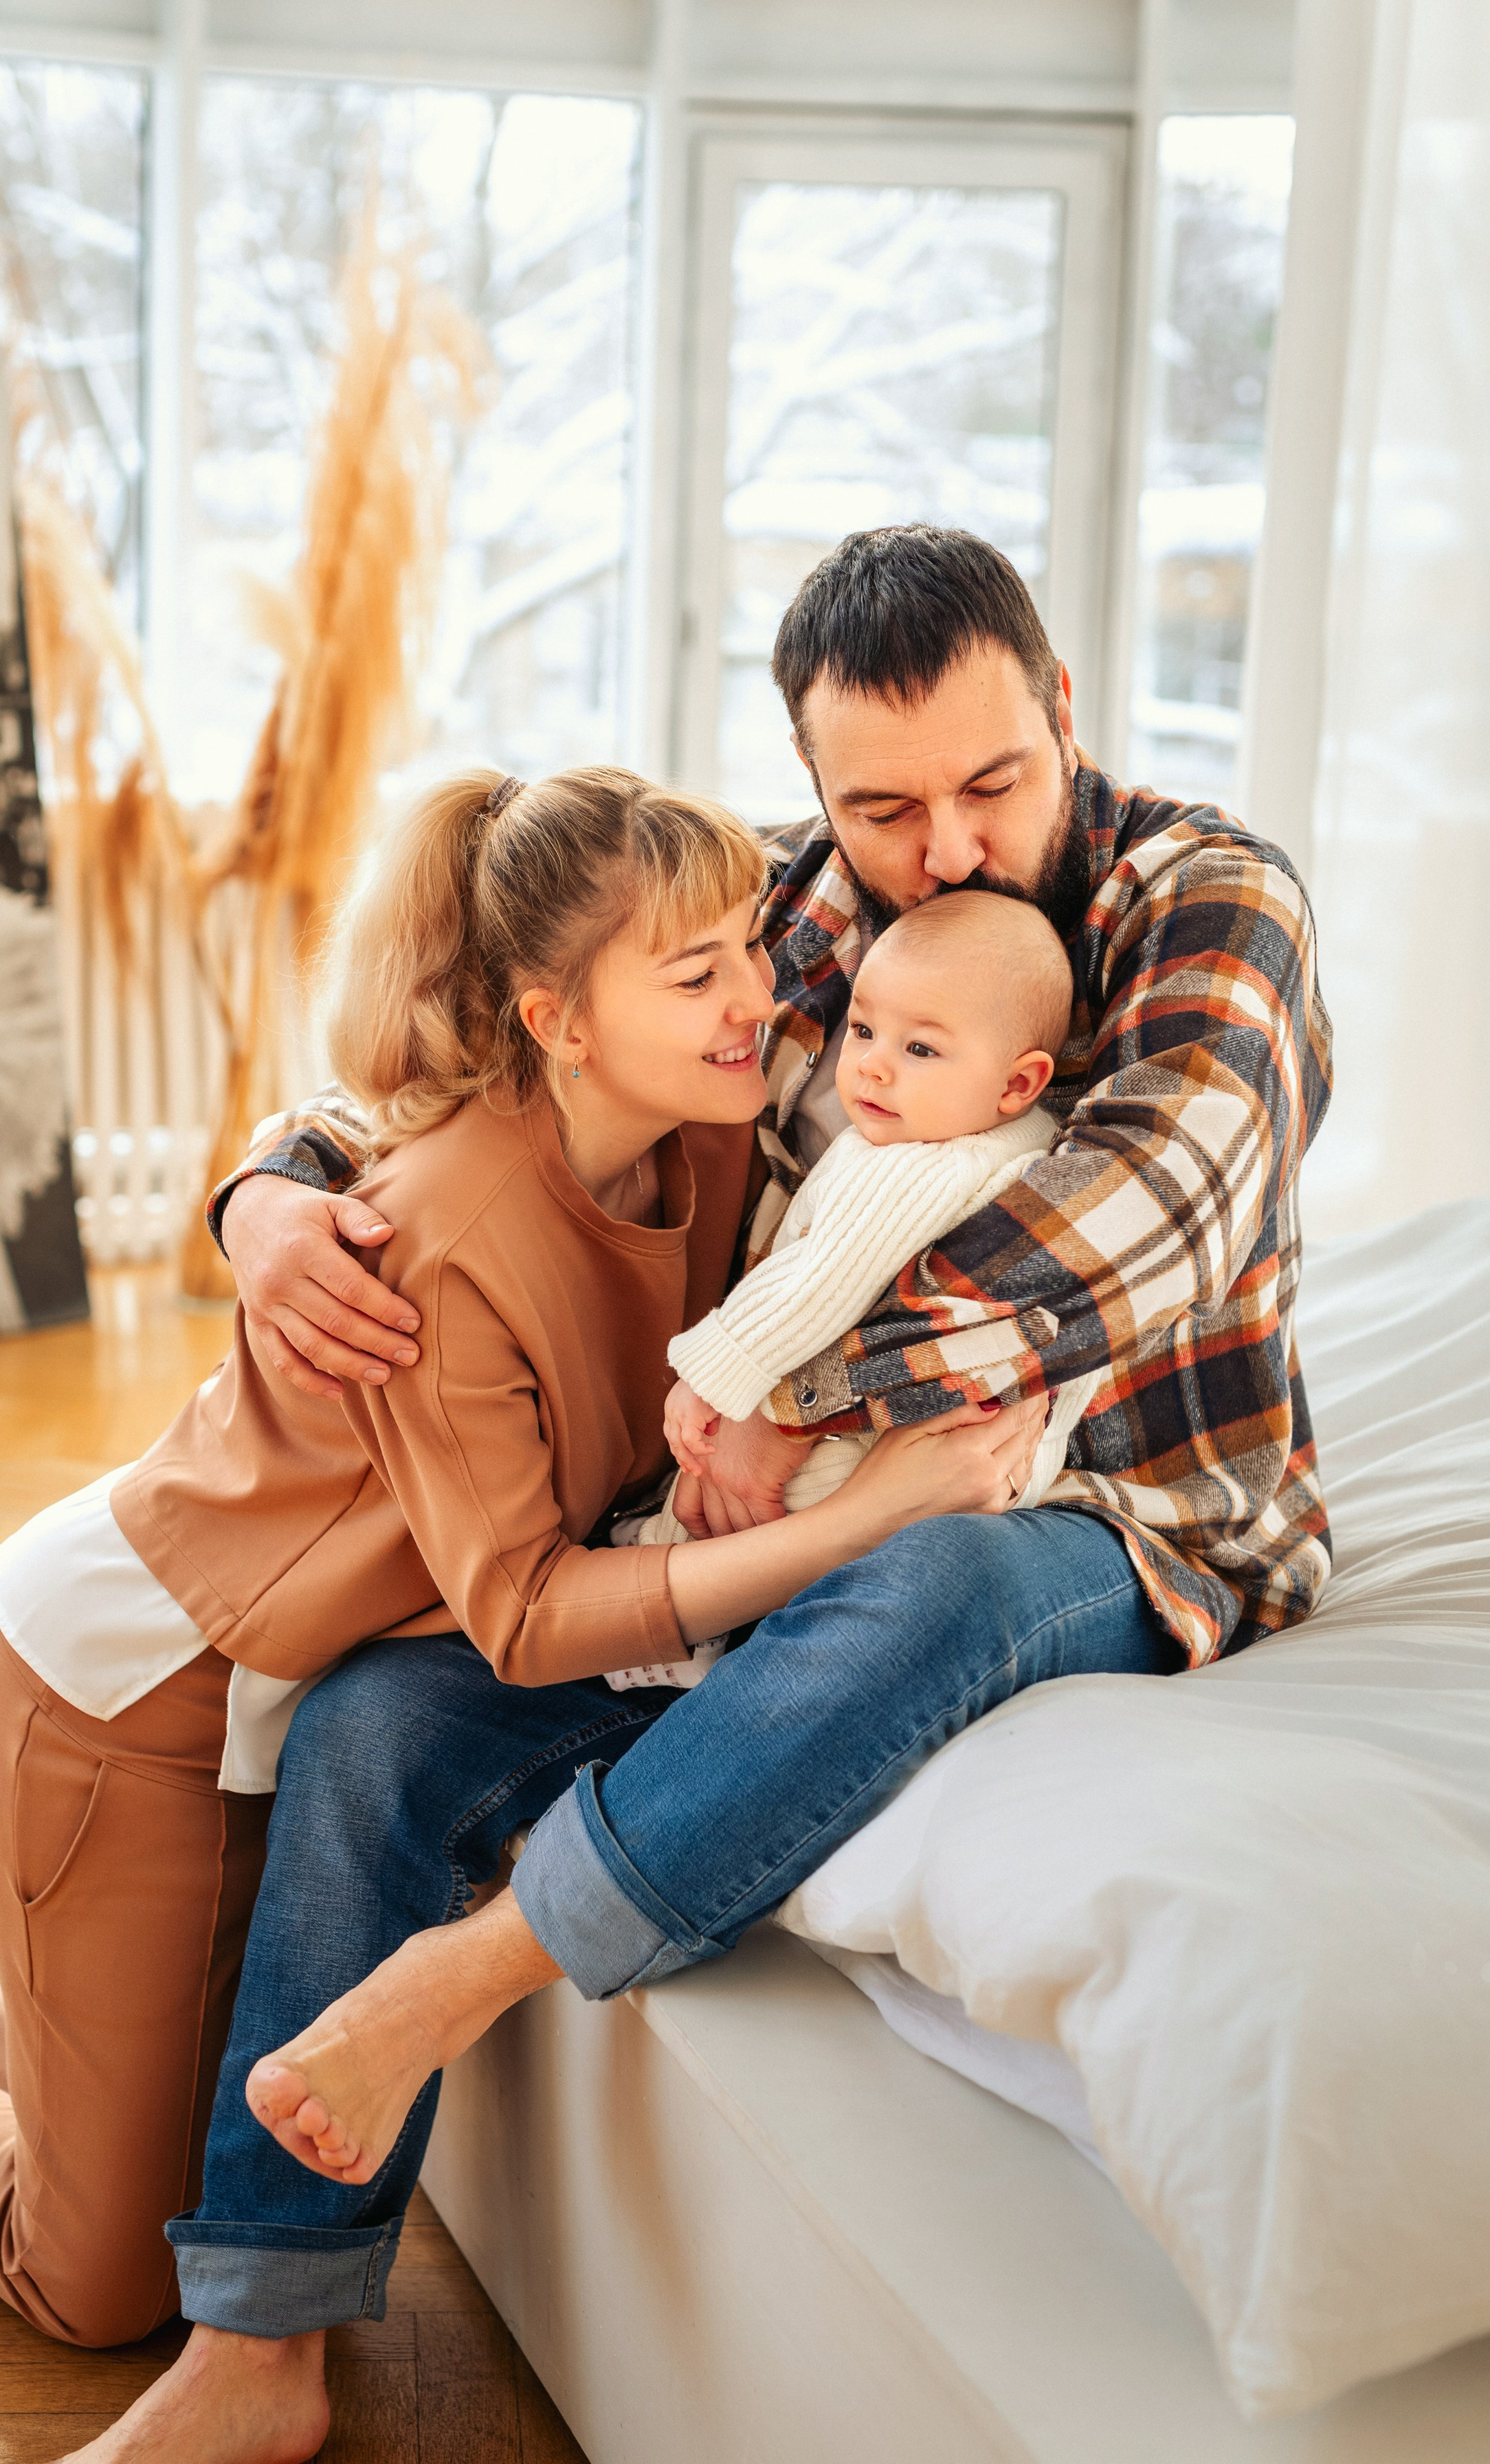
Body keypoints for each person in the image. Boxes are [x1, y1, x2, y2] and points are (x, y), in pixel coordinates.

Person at [67, 525, 1331, 2462]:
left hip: (1128, 1512)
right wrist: (275, 1186)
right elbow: (530, 1022)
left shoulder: (1210, 903)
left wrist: (784, 1379)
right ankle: (261, 2339)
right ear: (821, 792)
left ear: (1065, 713)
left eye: (995, 782)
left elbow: (1127, 1232)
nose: (953, 849)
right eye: (884, 808)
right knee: (387, 1714)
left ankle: (479, 1966)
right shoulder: (807, 907)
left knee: (936, 1585)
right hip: (758, 1500)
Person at [0, 764, 1042, 2375]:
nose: (758, 1004)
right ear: (557, 1020)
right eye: (697, 975)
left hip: (282, 1678)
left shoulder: (710, 1138)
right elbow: (525, 1616)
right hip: (123, 1694)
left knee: (197, 2161)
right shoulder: (442, 1229)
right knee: (101, 2289)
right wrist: (848, 1526)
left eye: (751, 953)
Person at [605, 888, 1099, 1692]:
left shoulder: (917, 1166)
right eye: (866, 1029)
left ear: (1017, 1082)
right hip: (978, 1461)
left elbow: (816, 1283)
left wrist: (712, 1371)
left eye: (921, 1049)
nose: (870, 1062)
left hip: (864, 1454)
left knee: (714, 1514)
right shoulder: (1023, 1143)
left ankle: (669, 1635)